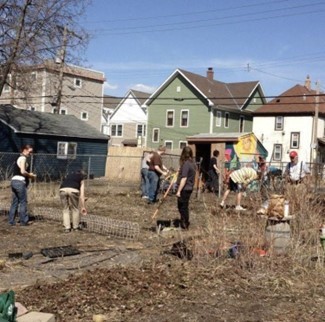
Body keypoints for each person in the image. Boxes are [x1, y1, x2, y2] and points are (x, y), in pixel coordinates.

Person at [8, 144, 36, 226]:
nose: (30, 154)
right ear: (24, 150)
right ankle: (24, 221)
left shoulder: (18, 158)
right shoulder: (23, 158)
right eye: (30, 152)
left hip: (14, 181)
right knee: (23, 202)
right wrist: (31, 175)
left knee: (15, 202)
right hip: (20, 182)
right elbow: (23, 171)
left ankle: (11, 221)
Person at [176, 146, 196, 229]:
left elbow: (184, 178)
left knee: (182, 207)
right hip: (189, 187)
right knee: (184, 206)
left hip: (184, 188)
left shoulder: (186, 164)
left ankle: (185, 224)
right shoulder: (192, 163)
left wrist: (179, 191)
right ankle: (184, 222)